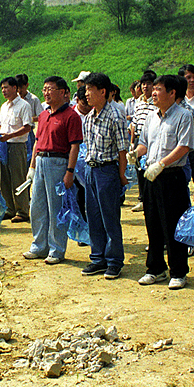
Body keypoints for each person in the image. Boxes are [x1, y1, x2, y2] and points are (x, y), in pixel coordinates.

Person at [135, 74, 194, 290]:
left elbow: (184, 146)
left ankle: (178, 271)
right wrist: (136, 153)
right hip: (151, 177)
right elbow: (144, 142)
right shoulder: (151, 116)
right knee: (153, 223)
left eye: (158, 89)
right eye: (154, 89)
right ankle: (155, 268)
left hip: (171, 176)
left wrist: (161, 164)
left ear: (172, 93)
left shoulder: (183, 116)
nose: (153, 92)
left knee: (173, 225)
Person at [24, 76, 83, 264]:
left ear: (63, 92)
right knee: (37, 206)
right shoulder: (43, 115)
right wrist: (32, 167)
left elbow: (75, 146)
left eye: (50, 89)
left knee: (56, 207)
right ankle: (39, 245)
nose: (46, 93)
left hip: (58, 162)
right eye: (44, 89)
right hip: (41, 161)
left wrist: (70, 171)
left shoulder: (71, 116)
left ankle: (56, 249)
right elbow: (37, 143)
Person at [80, 73, 130, 279]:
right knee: (93, 216)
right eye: (85, 89)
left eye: (90, 89)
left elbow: (122, 151)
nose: (86, 94)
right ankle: (97, 258)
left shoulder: (115, 117)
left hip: (107, 170)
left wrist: (121, 176)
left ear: (103, 92)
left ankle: (114, 261)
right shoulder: (89, 118)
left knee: (110, 217)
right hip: (90, 170)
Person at [0, 76, 33, 223]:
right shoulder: (4, 107)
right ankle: (9, 208)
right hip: (4, 145)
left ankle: (22, 211)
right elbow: (0, 125)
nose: (4, 91)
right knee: (5, 179)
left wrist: (10, 135)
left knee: (18, 177)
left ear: (15, 88)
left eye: (6, 87)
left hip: (17, 146)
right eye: (2, 88)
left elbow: (27, 127)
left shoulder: (24, 106)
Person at [128, 71, 157, 212]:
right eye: (143, 84)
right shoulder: (138, 103)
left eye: (149, 84)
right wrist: (132, 142)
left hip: (151, 139)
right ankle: (142, 199)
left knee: (150, 169)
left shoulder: (156, 102)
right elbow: (134, 123)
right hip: (139, 138)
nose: (145, 87)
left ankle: (151, 199)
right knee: (139, 170)